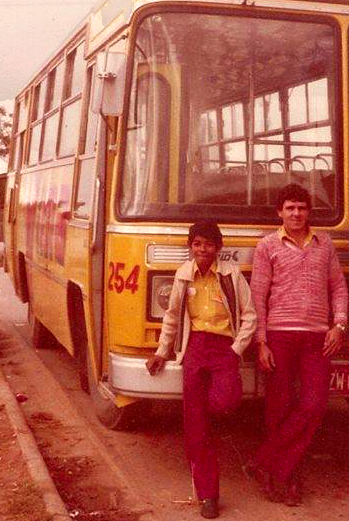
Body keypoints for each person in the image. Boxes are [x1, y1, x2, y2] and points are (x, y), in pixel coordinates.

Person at [145, 219, 256, 519]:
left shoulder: (231, 275)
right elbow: (172, 317)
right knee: (196, 426)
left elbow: (250, 316)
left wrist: (236, 350)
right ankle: (208, 495)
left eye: (208, 244)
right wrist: (162, 352)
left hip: (224, 348)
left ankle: (210, 420)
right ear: (190, 247)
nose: (202, 249)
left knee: (226, 401)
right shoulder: (183, 275)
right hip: (195, 347)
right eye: (197, 244)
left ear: (218, 247)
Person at [246, 183, 348, 506]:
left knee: (315, 404)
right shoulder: (267, 246)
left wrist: (339, 325)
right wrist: (261, 342)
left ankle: (264, 461)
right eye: (290, 208)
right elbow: (258, 296)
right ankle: (285, 476)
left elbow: (338, 287)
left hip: (317, 337)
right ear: (280, 212)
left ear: (308, 212)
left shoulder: (324, 244)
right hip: (280, 335)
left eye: (301, 208)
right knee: (279, 407)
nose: (296, 213)